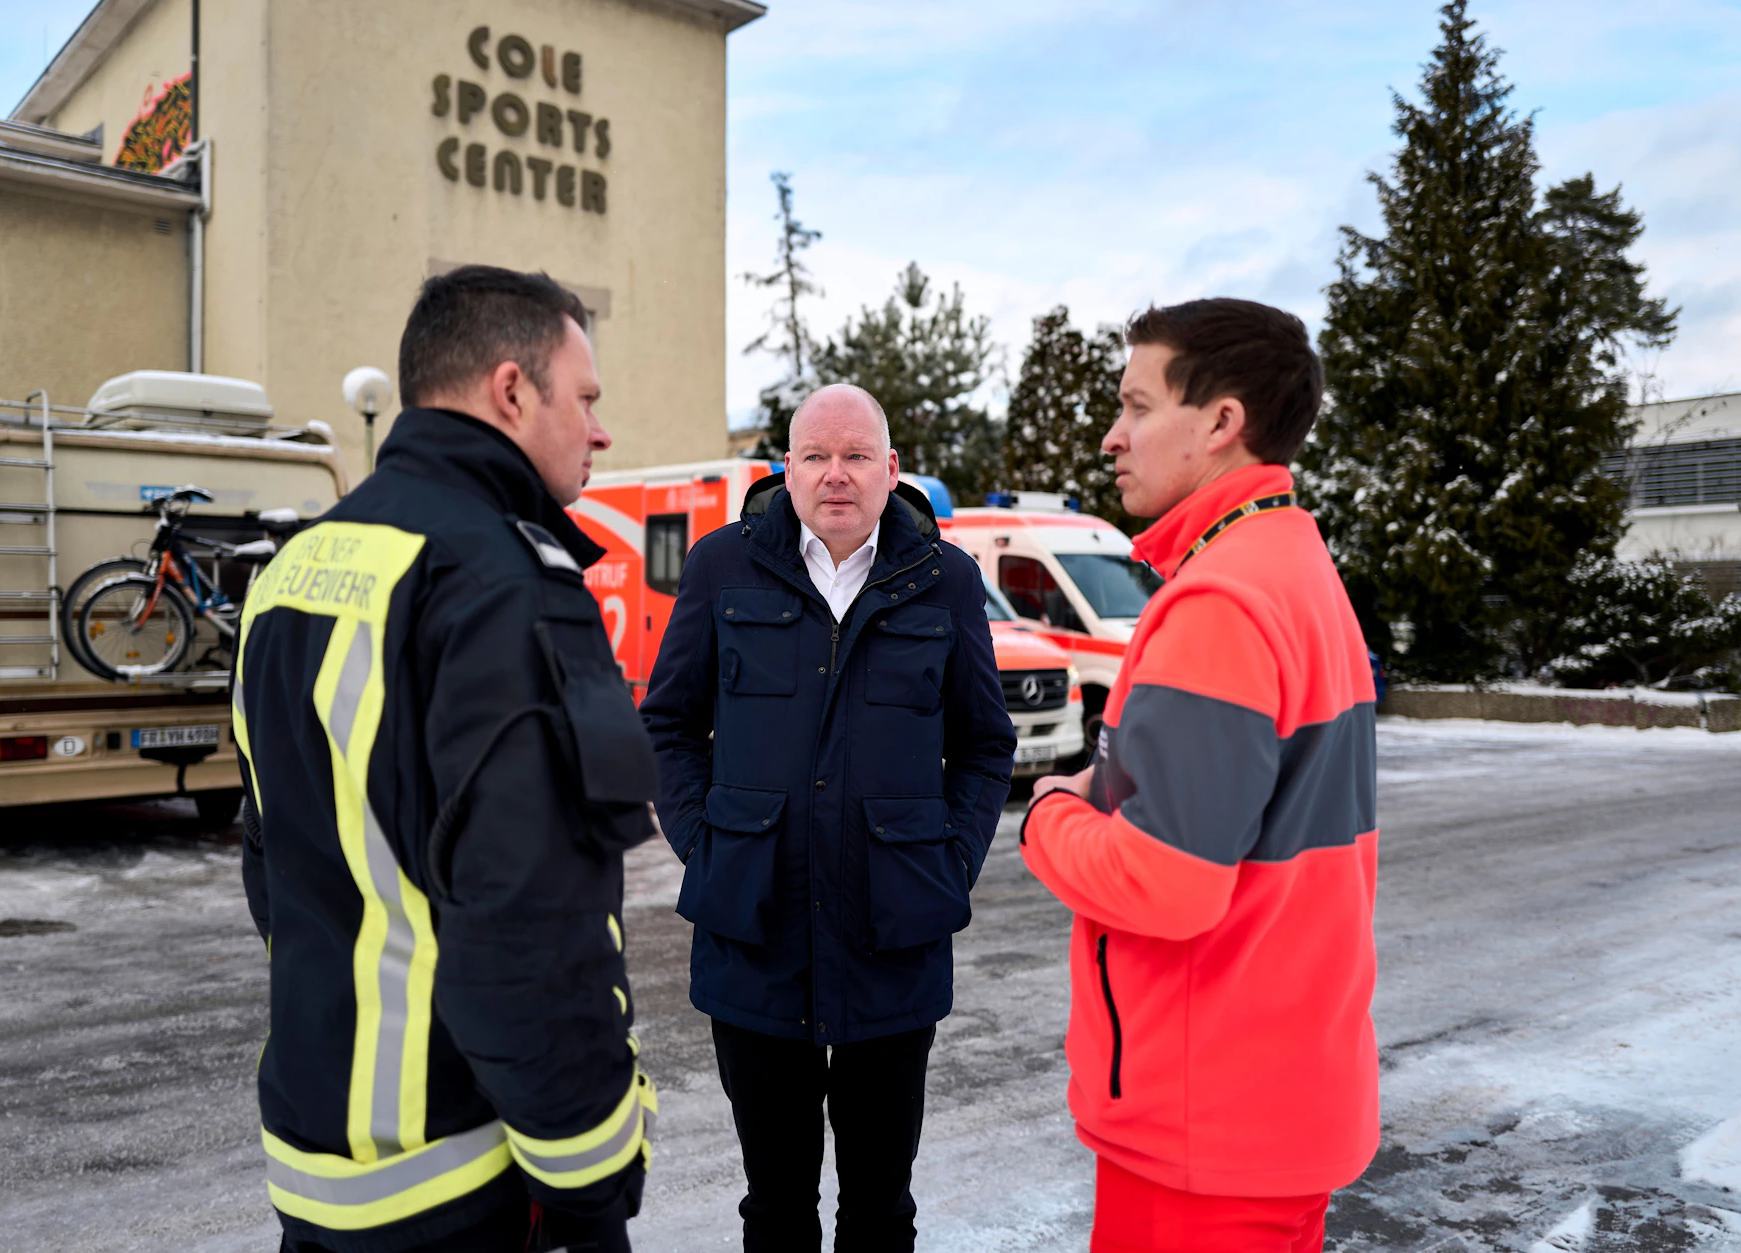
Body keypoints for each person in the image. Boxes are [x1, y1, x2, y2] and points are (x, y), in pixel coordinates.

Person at [232, 266, 659, 1253]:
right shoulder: (504, 581)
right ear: (511, 391)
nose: (599, 431)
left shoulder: (292, 569)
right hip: (463, 1181)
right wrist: (592, 1178)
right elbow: (529, 923)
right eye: (585, 397)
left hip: (315, 1157)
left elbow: (272, 863)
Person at [1022, 299, 1379, 1253]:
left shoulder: (1219, 599)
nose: (1113, 435)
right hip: (1283, 1098)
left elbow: (1167, 882)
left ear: (1222, 421)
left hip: (1203, 1126)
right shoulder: (1295, 564)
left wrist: (1048, 814)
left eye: (1137, 406)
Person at [639, 384, 1015, 1251]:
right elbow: (668, 724)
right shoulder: (722, 566)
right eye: (815, 455)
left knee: (881, 1208)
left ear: (891, 468)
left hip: (895, 937)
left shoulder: (947, 579)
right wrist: (705, 844)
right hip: (754, 936)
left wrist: (951, 858)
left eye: (855, 456)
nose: (835, 474)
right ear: (788, 468)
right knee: (775, 1207)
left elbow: (985, 744)